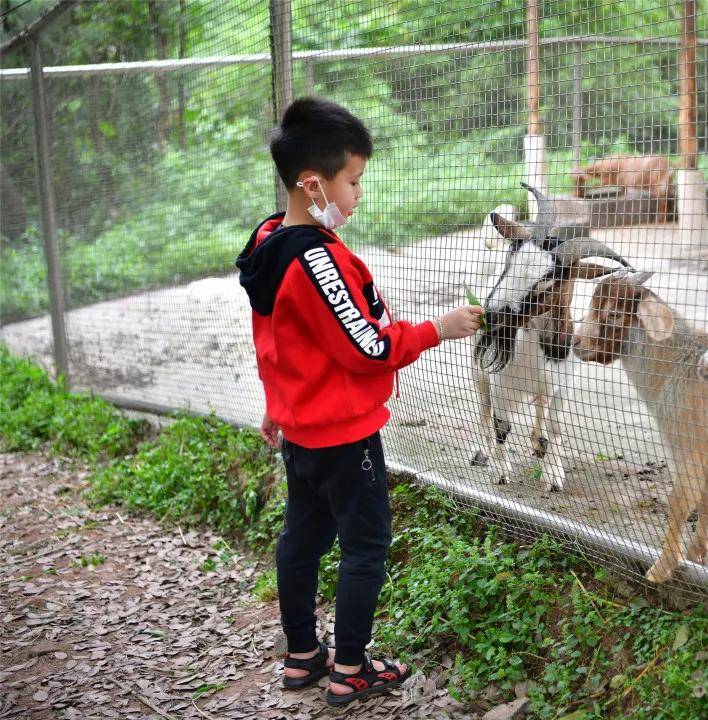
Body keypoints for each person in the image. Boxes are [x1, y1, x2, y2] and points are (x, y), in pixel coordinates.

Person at [235, 96, 483, 708]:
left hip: (299, 430)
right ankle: (349, 668)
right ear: (313, 183)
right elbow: (369, 347)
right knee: (366, 545)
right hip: (343, 435)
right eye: (354, 181)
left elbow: (275, 337)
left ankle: (302, 658)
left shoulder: (269, 239)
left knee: (302, 537)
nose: (358, 194)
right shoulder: (316, 259)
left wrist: (277, 402)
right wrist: (437, 329)